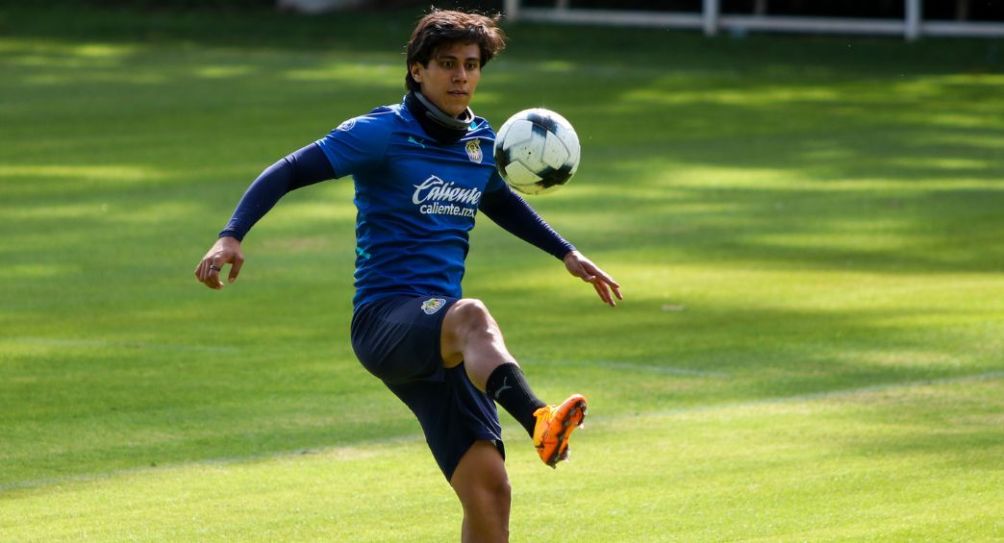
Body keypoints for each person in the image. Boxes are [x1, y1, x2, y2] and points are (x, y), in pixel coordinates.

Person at [194, 9, 621, 542]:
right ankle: (538, 418)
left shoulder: (481, 144)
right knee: (472, 316)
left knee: (490, 490)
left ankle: (533, 425)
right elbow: (290, 168)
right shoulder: (380, 132)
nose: (461, 76)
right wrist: (231, 234)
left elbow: (501, 203)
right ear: (417, 70)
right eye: (447, 64)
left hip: (445, 343)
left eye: (470, 65)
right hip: (387, 321)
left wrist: (567, 253)